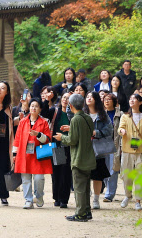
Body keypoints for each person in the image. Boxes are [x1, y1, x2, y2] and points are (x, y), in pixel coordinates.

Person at [53, 93, 96, 222]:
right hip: (88, 156)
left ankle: (80, 213)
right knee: (86, 186)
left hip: (79, 157)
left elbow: (72, 140)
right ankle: (87, 211)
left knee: (79, 188)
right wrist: (71, 128)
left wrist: (62, 137)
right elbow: (85, 132)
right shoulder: (87, 118)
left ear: (71, 106)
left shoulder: (75, 119)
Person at [12, 99, 52, 208]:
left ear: (40, 109)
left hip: (38, 154)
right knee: (26, 179)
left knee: (39, 178)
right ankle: (28, 200)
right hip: (24, 154)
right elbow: (17, 138)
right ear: (29, 108)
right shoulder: (23, 122)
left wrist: (38, 134)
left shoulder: (43, 122)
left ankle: (39, 196)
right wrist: (14, 154)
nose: (33, 108)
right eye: (32, 106)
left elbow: (47, 139)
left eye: (36, 106)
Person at [118, 93, 142, 210]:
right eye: (130, 98)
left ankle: (138, 200)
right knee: (127, 175)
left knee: (140, 175)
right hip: (127, 149)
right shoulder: (125, 116)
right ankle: (128, 196)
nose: (131, 100)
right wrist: (122, 130)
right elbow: (120, 128)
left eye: (134, 99)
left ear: (140, 102)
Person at [85, 92, 113, 210]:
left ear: (96, 99)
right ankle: (85, 199)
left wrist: (96, 132)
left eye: (91, 97)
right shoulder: (82, 114)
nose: (89, 99)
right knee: (84, 175)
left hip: (98, 149)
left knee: (97, 175)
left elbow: (109, 130)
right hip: (84, 148)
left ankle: (96, 199)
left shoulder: (103, 115)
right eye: (87, 97)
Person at [51, 92, 73, 208]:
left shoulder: (73, 115)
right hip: (58, 146)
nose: (65, 100)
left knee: (66, 174)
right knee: (57, 173)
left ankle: (64, 199)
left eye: (68, 98)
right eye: (64, 97)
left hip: (69, 147)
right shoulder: (56, 112)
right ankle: (57, 198)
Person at [102, 93, 123, 203]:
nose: (107, 101)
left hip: (115, 145)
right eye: (105, 99)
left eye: (109, 99)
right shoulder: (101, 114)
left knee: (113, 170)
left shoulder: (120, 115)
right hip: (102, 145)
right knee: (104, 171)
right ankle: (108, 190)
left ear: (114, 102)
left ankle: (109, 194)